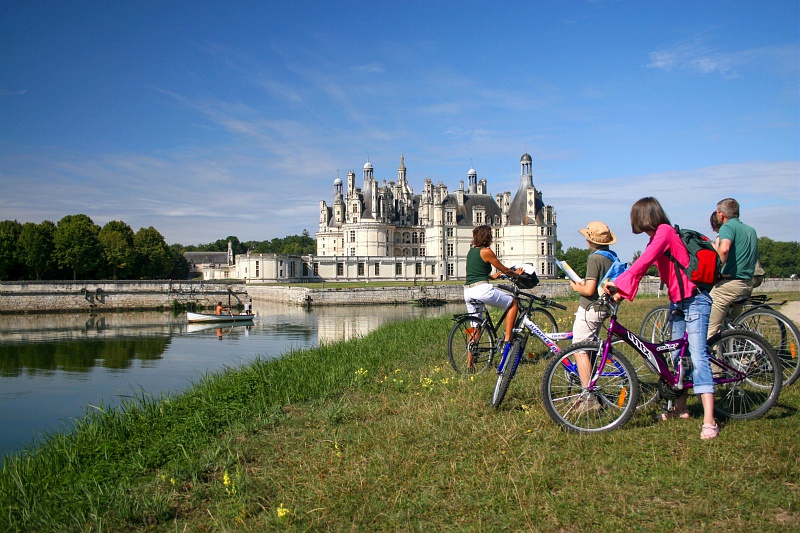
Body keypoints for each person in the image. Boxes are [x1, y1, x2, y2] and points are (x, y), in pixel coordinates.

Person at [605, 197, 718, 440]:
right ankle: (681, 408)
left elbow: (642, 263)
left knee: (698, 355)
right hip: (678, 300)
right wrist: (619, 295)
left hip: (695, 299)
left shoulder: (665, 232)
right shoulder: (654, 238)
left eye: (635, 216)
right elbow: (642, 270)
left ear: (644, 216)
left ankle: (710, 420)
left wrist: (617, 283)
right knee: (678, 357)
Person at [568, 221, 618, 412]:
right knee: (588, 349)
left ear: (590, 241)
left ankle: (588, 397)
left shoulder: (594, 258)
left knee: (579, 349)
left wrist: (575, 286)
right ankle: (589, 390)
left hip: (591, 308)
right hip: (604, 307)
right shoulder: (611, 256)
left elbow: (589, 290)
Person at [464, 225, 523, 367]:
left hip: (468, 291)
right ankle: (508, 341)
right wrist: (517, 274)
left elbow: (475, 273)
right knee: (513, 303)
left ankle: (469, 363)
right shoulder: (486, 251)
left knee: (475, 327)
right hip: (482, 290)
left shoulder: (471, 252)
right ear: (487, 237)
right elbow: (504, 269)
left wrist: (491, 277)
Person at [708, 198, 759, 338]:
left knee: (708, 326)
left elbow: (724, 249)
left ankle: (709, 360)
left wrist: (716, 271)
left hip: (730, 284)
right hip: (748, 283)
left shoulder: (727, 227)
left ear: (721, 214)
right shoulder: (751, 230)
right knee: (733, 327)